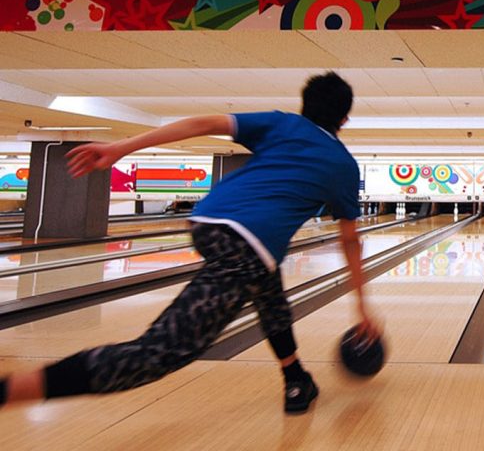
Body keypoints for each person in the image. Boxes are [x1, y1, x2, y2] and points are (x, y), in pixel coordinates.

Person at [0, 72, 375, 414]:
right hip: (247, 246)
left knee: (268, 290)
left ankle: (296, 379)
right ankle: (13, 390)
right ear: (344, 119)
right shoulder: (343, 165)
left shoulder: (283, 123)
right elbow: (350, 240)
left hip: (207, 221)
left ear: (304, 106)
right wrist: (362, 308)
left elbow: (203, 122)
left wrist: (123, 147)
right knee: (159, 353)